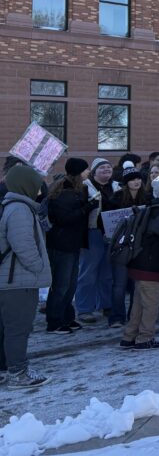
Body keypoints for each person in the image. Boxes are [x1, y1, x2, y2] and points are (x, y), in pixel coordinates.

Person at [0, 165, 51, 387]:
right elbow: (23, 245)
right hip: (17, 280)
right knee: (18, 329)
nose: (41, 188)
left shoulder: (16, 206)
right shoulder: (20, 209)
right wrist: (38, 266)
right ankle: (18, 373)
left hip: (12, 279)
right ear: (26, 184)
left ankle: (8, 369)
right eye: (37, 183)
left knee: (9, 328)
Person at [120, 176, 159, 350]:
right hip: (150, 265)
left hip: (140, 263)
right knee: (151, 304)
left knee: (138, 302)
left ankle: (129, 336)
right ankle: (145, 338)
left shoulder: (153, 207)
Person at [45, 158, 92, 334]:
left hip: (72, 243)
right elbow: (65, 218)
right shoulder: (63, 191)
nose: (88, 173)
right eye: (85, 170)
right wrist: (86, 208)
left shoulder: (77, 189)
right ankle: (54, 321)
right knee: (61, 284)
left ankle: (67, 317)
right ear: (78, 172)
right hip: (61, 244)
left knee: (71, 284)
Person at [76, 158, 118, 324]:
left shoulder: (117, 186)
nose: (106, 169)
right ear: (94, 171)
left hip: (112, 233)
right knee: (88, 272)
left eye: (109, 166)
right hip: (92, 232)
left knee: (107, 273)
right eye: (102, 167)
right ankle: (85, 309)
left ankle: (106, 304)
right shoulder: (85, 186)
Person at [108, 166, 147, 329]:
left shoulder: (147, 197)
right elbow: (107, 222)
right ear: (126, 182)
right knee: (119, 284)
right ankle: (116, 317)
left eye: (138, 178)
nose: (136, 181)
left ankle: (134, 316)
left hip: (140, 247)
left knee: (136, 285)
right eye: (132, 179)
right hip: (122, 247)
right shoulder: (116, 198)